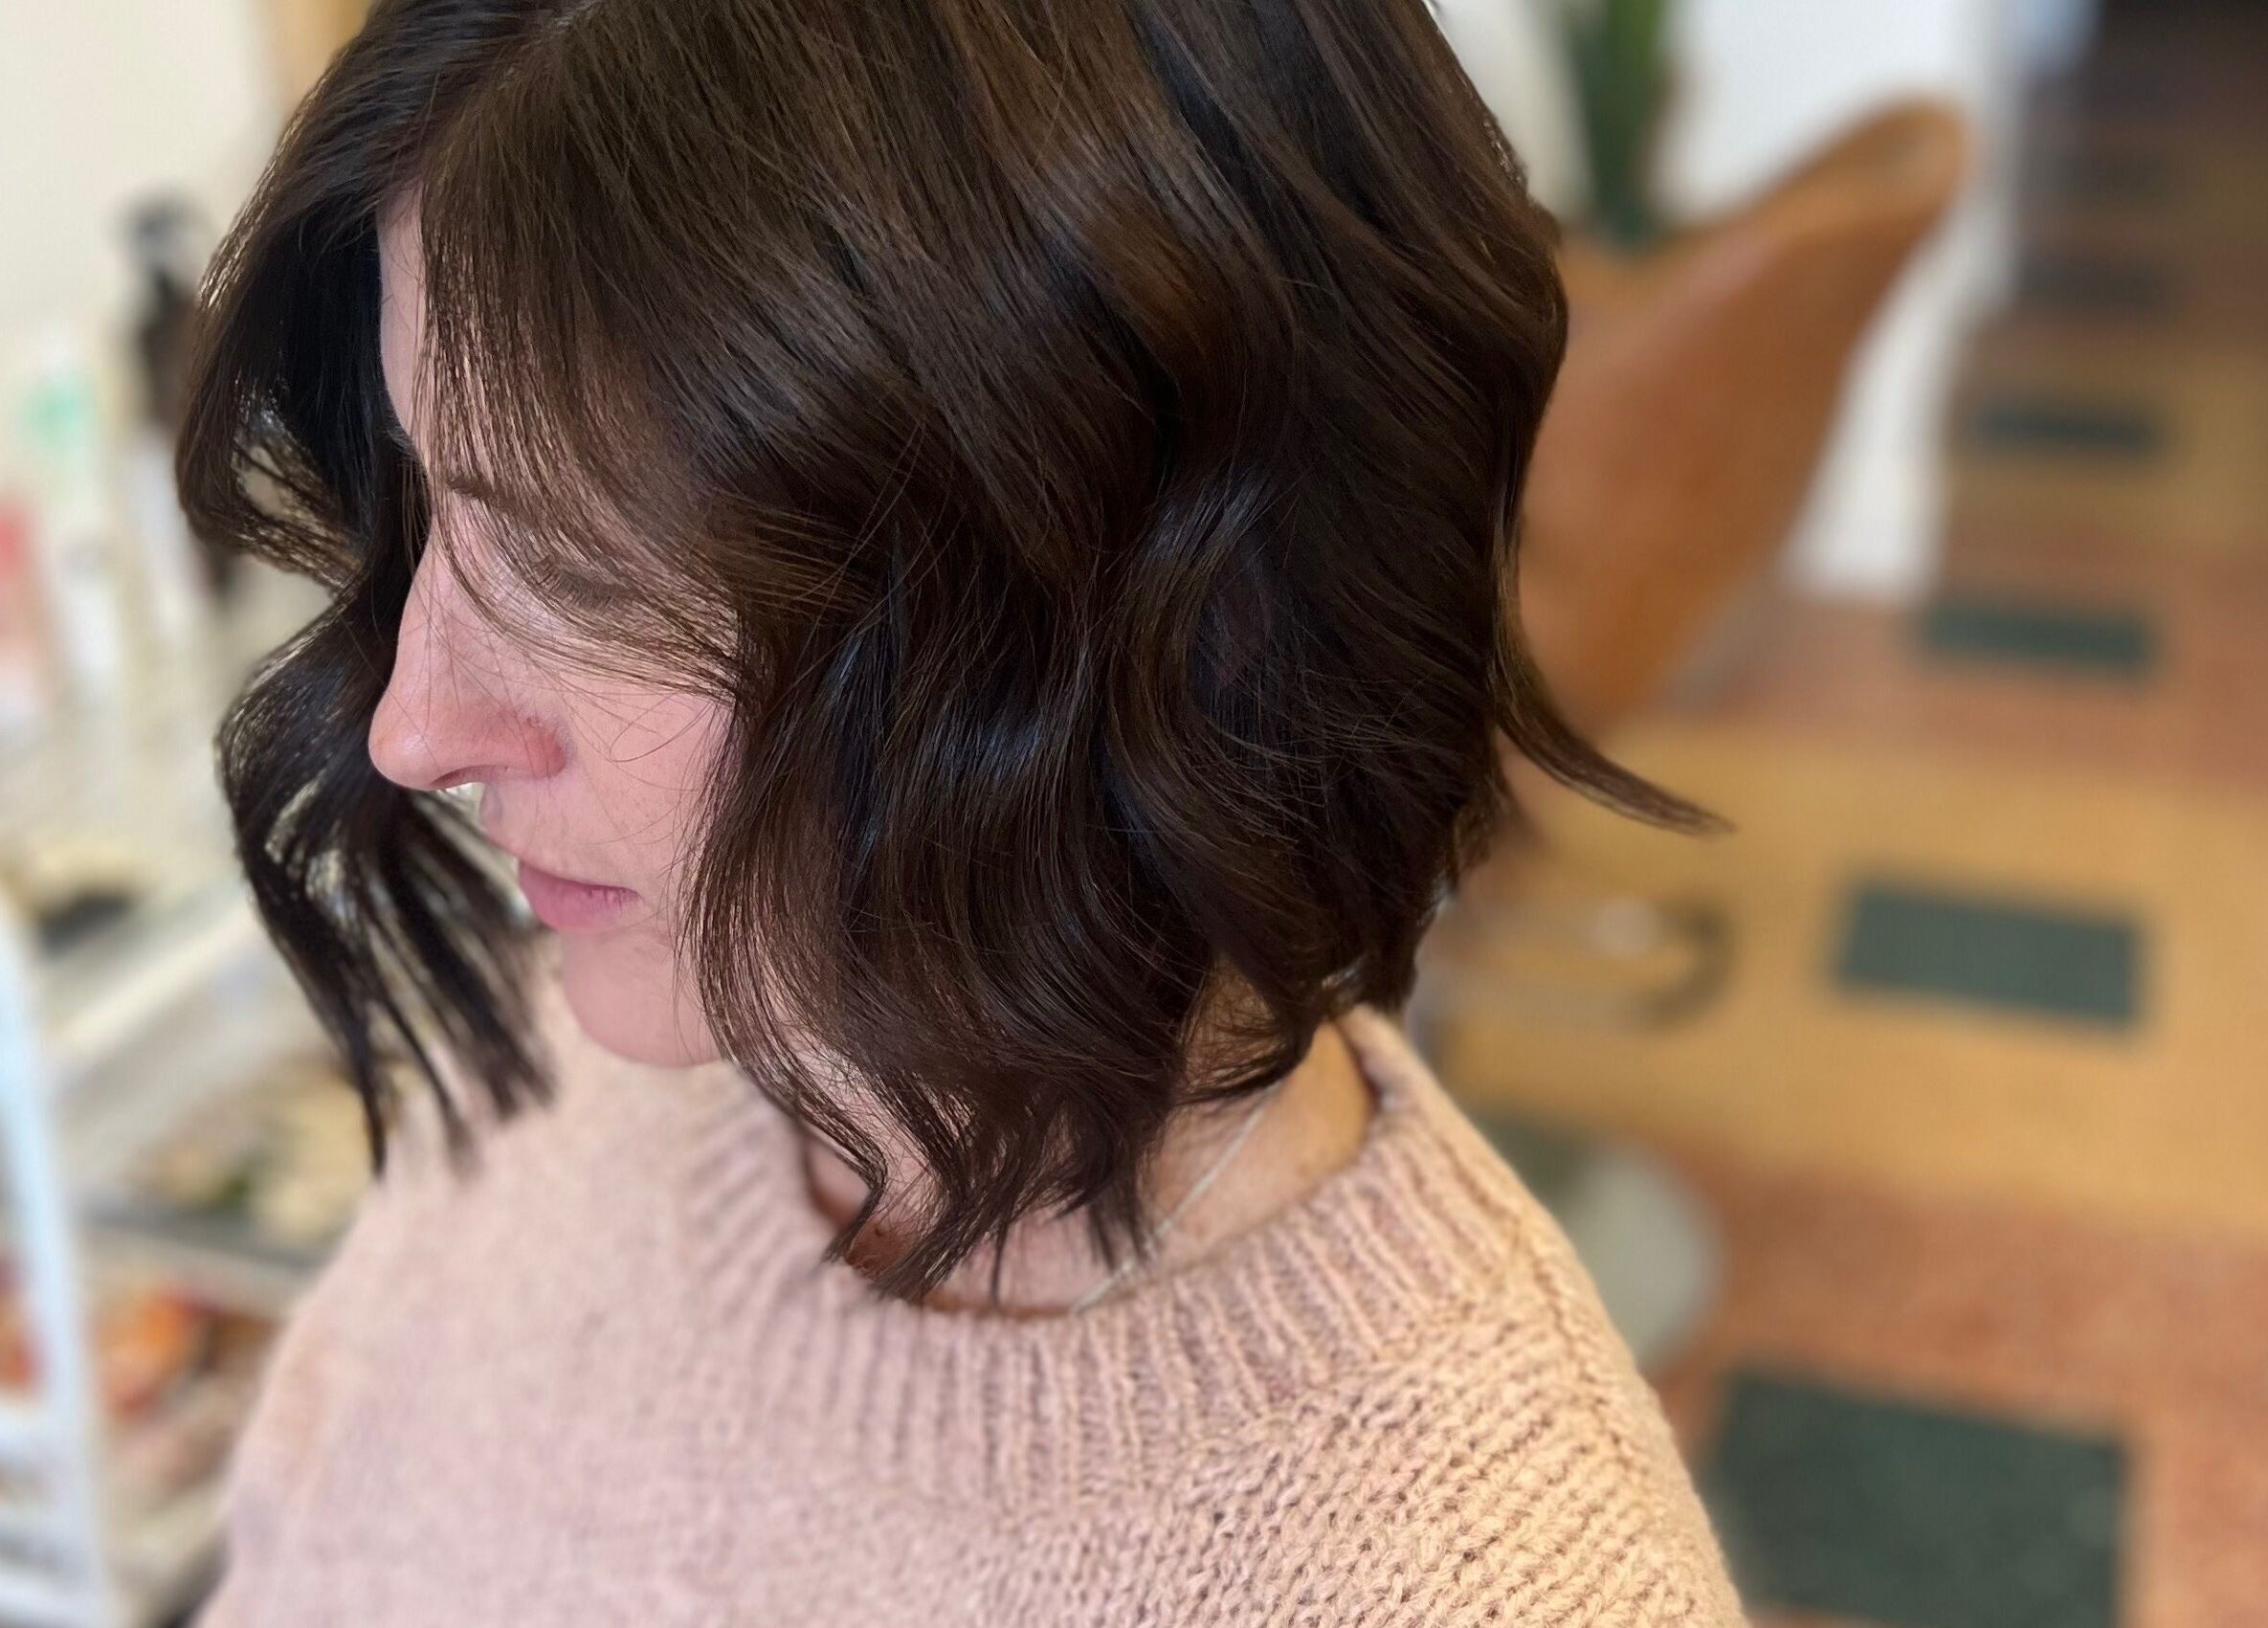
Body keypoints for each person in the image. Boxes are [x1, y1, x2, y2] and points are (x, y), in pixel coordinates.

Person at [177, 0, 1743, 1622]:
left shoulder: (1485, 1579)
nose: (412, 725)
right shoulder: (564, 1070)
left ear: (1156, 593)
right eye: (429, 496)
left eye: (574, 564)